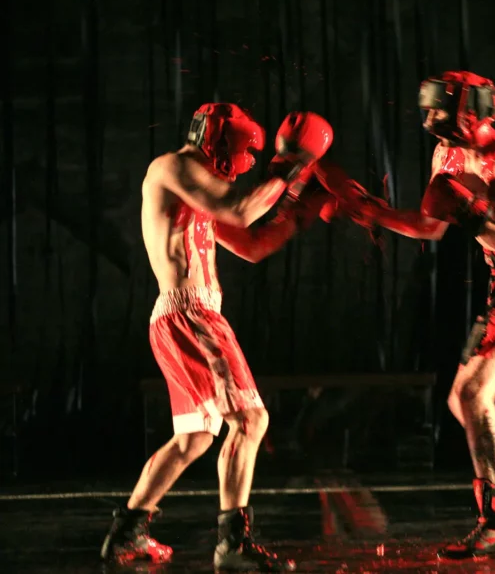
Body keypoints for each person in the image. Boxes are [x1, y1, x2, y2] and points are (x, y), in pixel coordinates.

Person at [100, 104, 335, 571]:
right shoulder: (174, 166)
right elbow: (244, 210)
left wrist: (298, 212)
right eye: (245, 151)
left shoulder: (199, 191)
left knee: (194, 439)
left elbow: (251, 246)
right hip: (191, 314)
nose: (246, 162)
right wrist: (290, 169)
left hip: (184, 316)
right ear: (221, 141)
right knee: (250, 421)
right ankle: (233, 544)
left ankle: (126, 534)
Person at [346, 71, 495, 558]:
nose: (430, 122)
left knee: (473, 394)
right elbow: (430, 226)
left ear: (472, 109)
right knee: (463, 401)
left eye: (439, 113)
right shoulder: (446, 154)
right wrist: (373, 214)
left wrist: (471, 215)